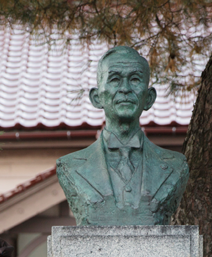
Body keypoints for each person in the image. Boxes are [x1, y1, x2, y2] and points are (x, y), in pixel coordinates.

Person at [55, 45, 188, 225]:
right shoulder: (69, 166)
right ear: (96, 97)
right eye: (115, 79)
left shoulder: (176, 166)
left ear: (149, 98)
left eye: (134, 79)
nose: (125, 89)